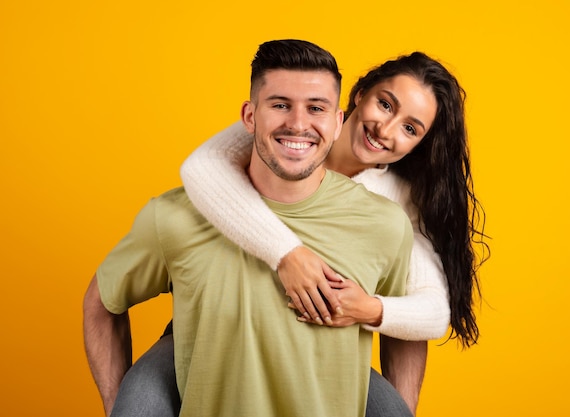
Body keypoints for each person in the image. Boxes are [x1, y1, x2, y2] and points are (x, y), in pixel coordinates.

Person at [108, 50, 488, 417]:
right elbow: (201, 167)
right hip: (213, 330)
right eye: (385, 105)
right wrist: (289, 255)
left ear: (420, 144)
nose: (384, 129)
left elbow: (432, 311)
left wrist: (369, 308)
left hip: (322, 350)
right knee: (139, 401)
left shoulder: (393, 209)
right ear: (359, 96)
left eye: (409, 128)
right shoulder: (295, 133)